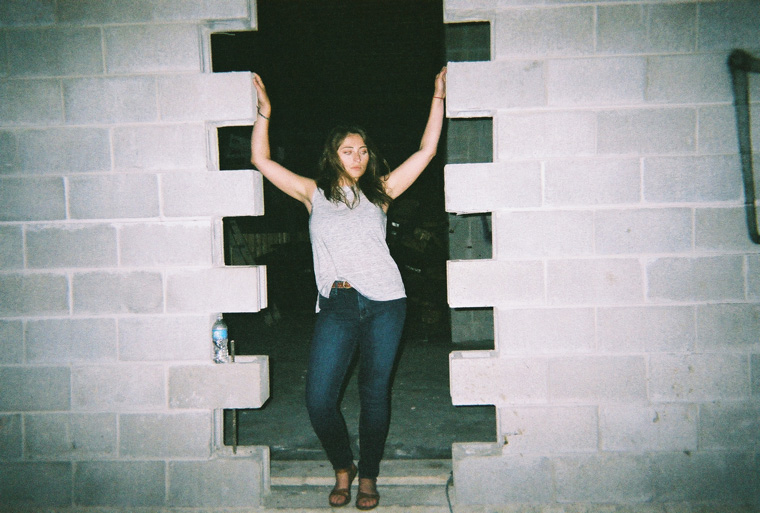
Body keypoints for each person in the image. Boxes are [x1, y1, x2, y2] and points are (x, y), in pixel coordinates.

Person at [251, 66, 446, 510]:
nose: (356, 157)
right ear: (332, 155)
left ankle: (368, 476)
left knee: (374, 394)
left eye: (362, 150)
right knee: (319, 398)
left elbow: (427, 150)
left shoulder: (381, 191)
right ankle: (343, 466)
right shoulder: (312, 193)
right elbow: (261, 161)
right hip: (337, 303)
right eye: (347, 150)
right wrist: (265, 113)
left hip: (386, 303)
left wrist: (437, 96)